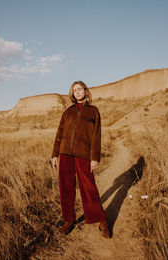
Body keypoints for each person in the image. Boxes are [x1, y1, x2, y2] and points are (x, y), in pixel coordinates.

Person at [51, 81, 110, 238]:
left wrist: (94, 158)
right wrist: (54, 154)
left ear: (85, 91)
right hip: (65, 153)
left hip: (83, 154)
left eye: (79, 89)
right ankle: (69, 220)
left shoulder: (93, 111)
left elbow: (96, 136)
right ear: (72, 94)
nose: (77, 92)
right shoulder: (68, 112)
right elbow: (59, 134)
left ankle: (100, 218)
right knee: (66, 187)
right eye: (74, 90)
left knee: (89, 187)